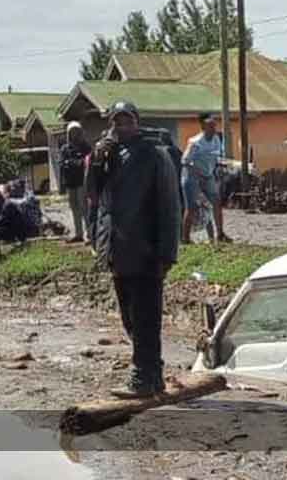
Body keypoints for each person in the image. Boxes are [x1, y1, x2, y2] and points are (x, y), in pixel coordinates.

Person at [92, 101, 180, 397]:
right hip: (117, 250)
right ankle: (152, 373)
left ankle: (144, 377)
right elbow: (93, 195)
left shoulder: (155, 155)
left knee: (145, 318)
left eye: (126, 120)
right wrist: (96, 159)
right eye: (116, 122)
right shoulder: (110, 156)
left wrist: (167, 253)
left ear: (137, 122)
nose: (121, 127)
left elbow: (170, 206)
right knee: (129, 317)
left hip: (146, 251)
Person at [181, 113, 230, 244]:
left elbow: (215, 157)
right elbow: (185, 161)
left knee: (216, 202)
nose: (214, 129)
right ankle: (185, 238)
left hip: (208, 176)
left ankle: (220, 234)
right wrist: (197, 174)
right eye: (211, 126)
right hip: (192, 177)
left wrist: (221, 166)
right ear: (203, 127)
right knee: (191, 207)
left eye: (214, 126)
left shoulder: (217, 140)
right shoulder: (195, 142)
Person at [59, 121, 92, 243]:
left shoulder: (86, 147)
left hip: (82, 181)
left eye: (76, 131)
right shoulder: (65, 148)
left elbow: (86, 162)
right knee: (74, 208)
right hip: (70, 182)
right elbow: (62, 164)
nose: (74, 134)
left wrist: (72, 163)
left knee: (84, 207)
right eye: (72, 132)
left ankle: (89, 234)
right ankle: (78, 233)